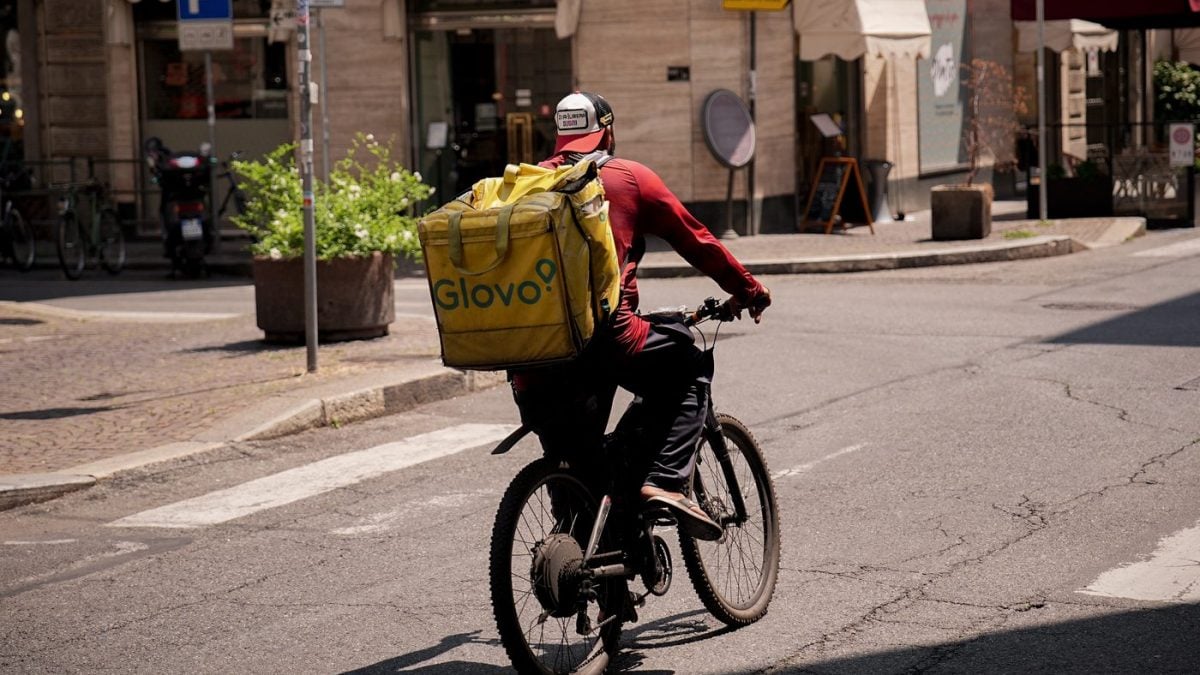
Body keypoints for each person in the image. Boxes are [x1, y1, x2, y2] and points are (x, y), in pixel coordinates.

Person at [512, 91, 771, 541]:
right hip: (608, 338)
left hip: (533, 353)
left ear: (559, 137)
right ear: (608, 132)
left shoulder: (523, 186)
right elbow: (696, 240)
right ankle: (667, 482)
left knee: (578, 469)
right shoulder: (627, 178)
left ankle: (585, 568)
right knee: (689, 368)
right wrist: (747, 289)